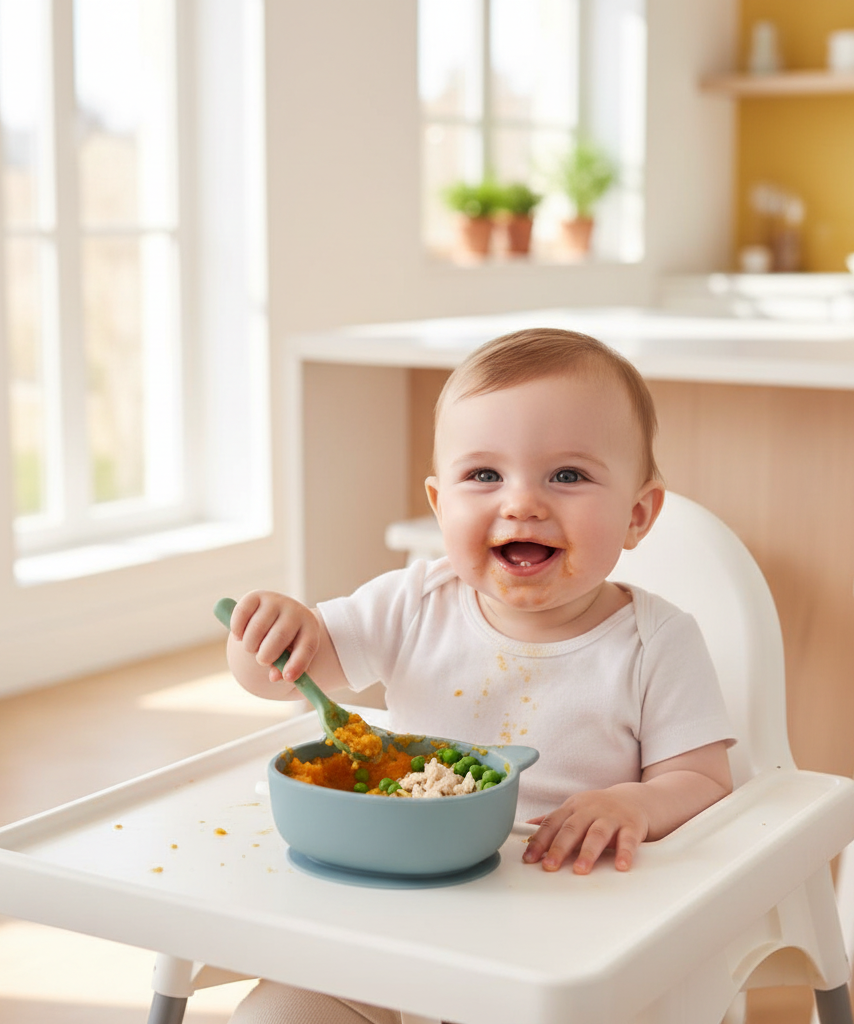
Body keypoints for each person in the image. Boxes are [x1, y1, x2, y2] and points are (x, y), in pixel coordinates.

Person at [225, 327, 735, 1024]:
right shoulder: (411, 603)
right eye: (484, 476)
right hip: (394, 914)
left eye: (568, 475)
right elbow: (285, 674)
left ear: (637, 514)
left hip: (558, 939)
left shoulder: (657, 643)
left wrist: (633, 806)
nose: (522, 503)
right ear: (440, 506)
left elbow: (704, 781)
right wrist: (268, 636)